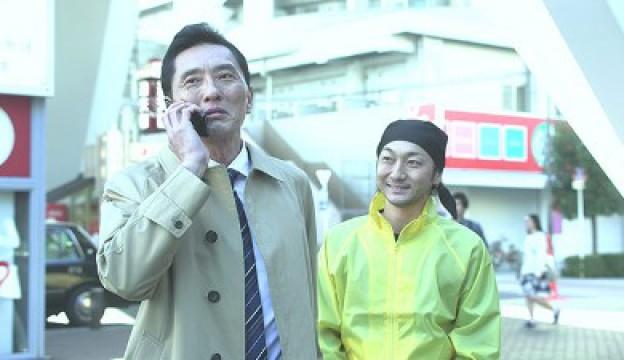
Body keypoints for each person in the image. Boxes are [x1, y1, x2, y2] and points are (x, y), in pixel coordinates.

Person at [97, 23, 318, 359]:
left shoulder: (291, 182)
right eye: (192, 81)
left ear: (249, 97)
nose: (212, 91)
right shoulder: (136, 183)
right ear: (171, 107)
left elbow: (309, 293)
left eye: (226, 76)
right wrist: (189, 171)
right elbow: (125, 280)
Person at [317, 119, 501, 359]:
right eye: (388, 159)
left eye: (413, 162)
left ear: (436, 175)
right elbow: (326, 333)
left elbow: (478, 344)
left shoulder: (467, 249)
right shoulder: (339, 242)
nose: (397, 172)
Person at [520, 214, 560, 328]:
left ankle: (554, 309)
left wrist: (539, 271)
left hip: (536, 271)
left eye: (529, 221)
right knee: (528, 296)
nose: (527, 224)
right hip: (526, 271)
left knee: (534, 296)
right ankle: (531, 318)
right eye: (526, 222)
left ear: (535, 222)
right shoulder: (528, 237)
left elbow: (541, 255)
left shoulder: (540, 236)